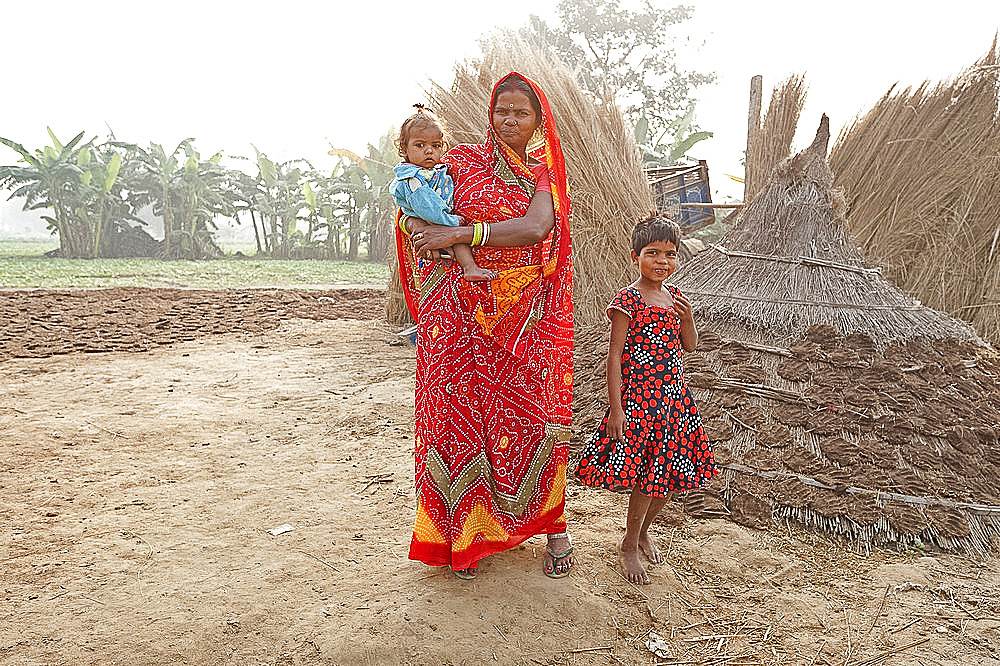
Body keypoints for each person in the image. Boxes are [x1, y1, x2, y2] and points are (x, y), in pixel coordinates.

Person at [396, 72, 574, 580]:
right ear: (490, 115)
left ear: (538, 121)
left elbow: (536, 227)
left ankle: (552, 524)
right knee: (456, 421)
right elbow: (408, 197)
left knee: (534, 419)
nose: (509, 120)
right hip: (456, 321)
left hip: (529, 322)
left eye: (521, 112)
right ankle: (466, 532)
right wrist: (420, 229)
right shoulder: (459, 161)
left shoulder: (545, 173)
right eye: (502, 111)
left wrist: (461, 232)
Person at [574, 215, 718, 585]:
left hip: (673, 400)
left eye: (670, 254)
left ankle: (641, 531)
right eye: (653, 253)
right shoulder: (628, 299)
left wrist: (688, 319)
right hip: (640, 400)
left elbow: (690, 345)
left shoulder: (676, 298)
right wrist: (616, 409)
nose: (662, 261)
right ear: (635, 256)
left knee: (670, 477)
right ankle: (628, 543)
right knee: (648, 478)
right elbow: (614, 357)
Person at [390, 105, 495, 282]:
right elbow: (428, 207)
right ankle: (470, 268)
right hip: (434, 221)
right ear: (404, 149)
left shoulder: (432, 170)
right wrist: (452, 221)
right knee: (457, 236)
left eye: (435, 145)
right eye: (420, 145)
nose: (429, 150)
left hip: (438, 220)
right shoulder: (413, 179)